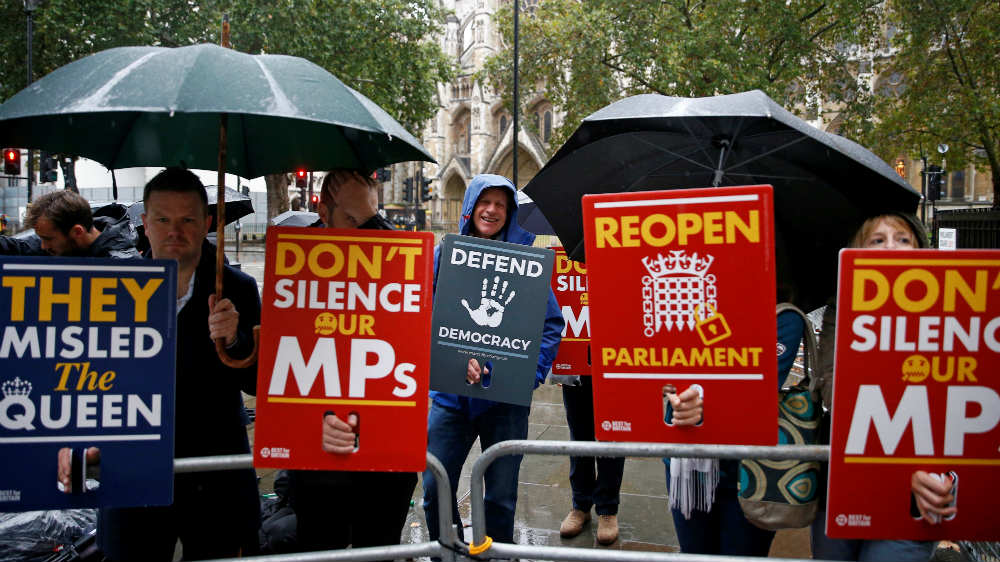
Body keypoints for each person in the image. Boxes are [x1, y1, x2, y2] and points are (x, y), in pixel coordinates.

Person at [93, 167, 261, 561]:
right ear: (144, 223)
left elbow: (258, 382)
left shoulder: (237, 288)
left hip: (215, 474)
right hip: (134, 471)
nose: (175, 231)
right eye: (163, 219)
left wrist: (235, 339)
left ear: (206, 223)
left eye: (187, 219)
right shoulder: (110, 288)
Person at [421, 174, 565, 547]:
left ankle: (495, 554)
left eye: (501, 204)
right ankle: (447, 551)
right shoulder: (443, 256)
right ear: (470, 207)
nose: (492, 210)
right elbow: (422, 318)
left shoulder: (527, 261)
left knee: (500, 497)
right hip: (450, 400)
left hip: (505, 403)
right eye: (485, 202)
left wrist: (524, 375)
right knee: (435, 486)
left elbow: (551, 324)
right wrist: (451, 362)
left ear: (510, 212)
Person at [285, 169, 417, 558]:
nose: (367, 234)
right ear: (323, 210)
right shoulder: (296, 267)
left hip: (385, 464)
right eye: (353, 222)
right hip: (319, 464)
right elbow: (284, 374)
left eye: (374, 220)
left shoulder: (398, 263)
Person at [811, 212, 955, 561]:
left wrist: (939, 474)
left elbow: (960, 404)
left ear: (920, 248)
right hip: (844, 482)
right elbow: (832, 388)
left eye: (902, 239)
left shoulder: (951, 310)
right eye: (877, 240)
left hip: (914, 496)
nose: (891, 247)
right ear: (857, 251)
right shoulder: (839, 306)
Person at [662, 305, 804, 556]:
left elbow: (757, 391)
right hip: (687, 463)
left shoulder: (784, 318)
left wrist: (702, 402)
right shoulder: (686, 308)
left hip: (749, 472)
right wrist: (668, 390)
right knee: (694, 551)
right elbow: (655, 366)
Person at [556, 372, 625, 545]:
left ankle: (607, 509)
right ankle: (580, 506)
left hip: (613, 363)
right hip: (576, 367)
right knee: (579, 436)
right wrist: (560, 368)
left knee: (611, 436)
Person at [0, 190, 139, 258]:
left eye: (47, 239)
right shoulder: (61, 244)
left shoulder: (122, 267)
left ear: (77, 232)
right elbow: (17, 247)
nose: (43, 246)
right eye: (41, 238)